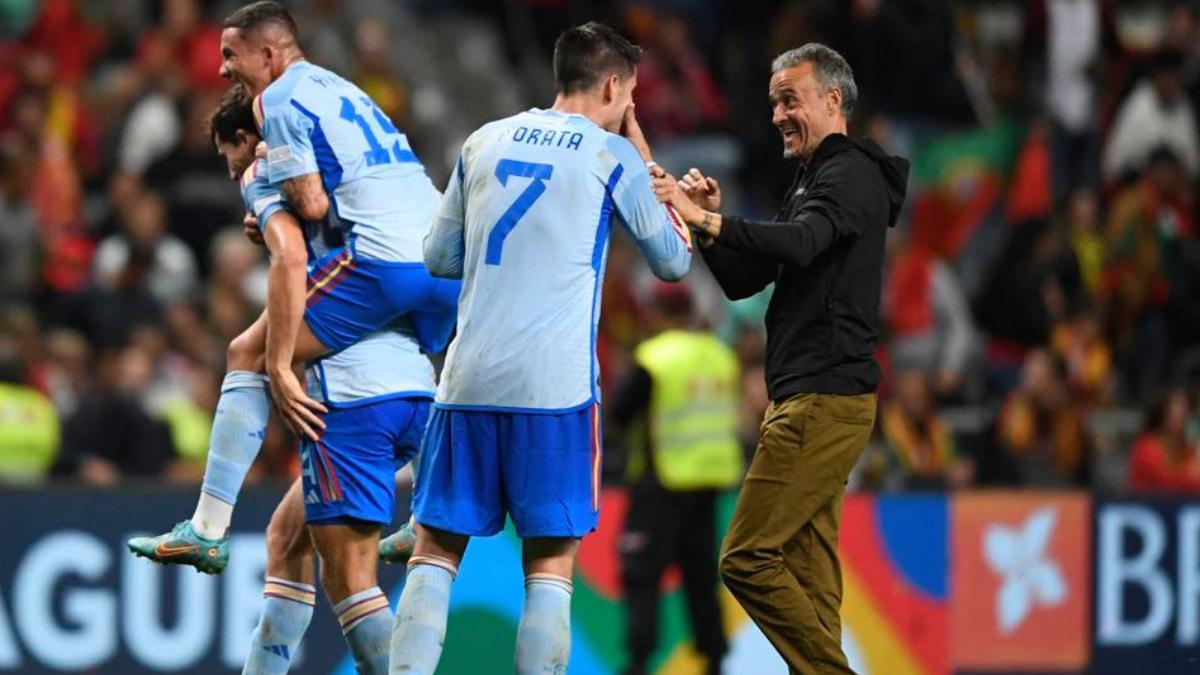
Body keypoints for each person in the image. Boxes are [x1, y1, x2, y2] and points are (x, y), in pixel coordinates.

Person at [388, 22, 691, 675]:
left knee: (435, 553)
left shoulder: (483, 140)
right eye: (629, 97)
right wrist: (644, 158)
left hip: (465, 383)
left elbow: (438, 256)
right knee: (549, 567)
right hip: (554, 393)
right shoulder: (612, 157)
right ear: (613, 85)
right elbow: (672, 262)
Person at [128, 0, 458, 571]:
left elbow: (306, 214)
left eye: (230, 55)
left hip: (384, 264)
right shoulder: (341, 88)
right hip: (446, 265)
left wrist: (281, 363)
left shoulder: (274, 100)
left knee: (248, 353)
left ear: (268, 54)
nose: (223, 68)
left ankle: (207, 527)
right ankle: (429, 517)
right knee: (423, 372)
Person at [656, 43, 908, 673]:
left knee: (746, 558)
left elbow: (797, 244)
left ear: (832, 100)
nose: (776, 114)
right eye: (772, 102)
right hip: (818, 398)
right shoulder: (817, 179)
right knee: (807, 571)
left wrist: (707, 222)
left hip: (821, 399)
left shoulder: (847, 173)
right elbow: (750, 278)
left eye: (788, 99)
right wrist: (708, 222)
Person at [608, 282, 741, 675]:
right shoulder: (721, 356)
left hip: (660, 483)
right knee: (701, 579)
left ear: (659, 315)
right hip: (708, 485)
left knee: (642, 575)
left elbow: (619, 414)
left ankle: (638, 662)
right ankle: (714, 661)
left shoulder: (655, 358)